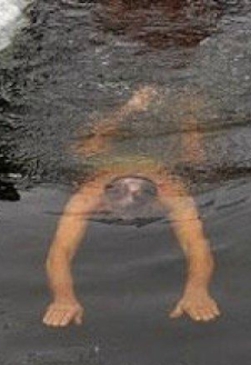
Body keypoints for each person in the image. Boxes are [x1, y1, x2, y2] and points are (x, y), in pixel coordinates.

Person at [43, 86, 220, 327]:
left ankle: (145, 109)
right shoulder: (167, 191)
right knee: (194, 158)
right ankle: (178, 113)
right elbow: (196, 244)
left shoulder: (94, 194)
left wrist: (197, 290)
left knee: (88, 150)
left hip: (118, 162)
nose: (131, 188)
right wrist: (63, 297)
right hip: (141, 163)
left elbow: (60, 251)